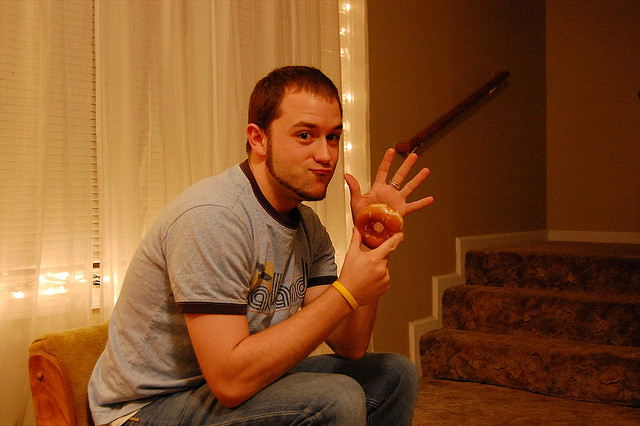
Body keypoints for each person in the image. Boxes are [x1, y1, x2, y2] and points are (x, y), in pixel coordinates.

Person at [88, 65, 434, 425]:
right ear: (258, 139)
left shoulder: (308, 227)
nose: (326, 155)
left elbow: (351, 344)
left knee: (395, 375)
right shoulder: (214, 218)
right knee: (335, 398)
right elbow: (230, 381)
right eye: (305, 135)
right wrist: (346, 292)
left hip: (225, 387)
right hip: (145, 409)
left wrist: (372, 238)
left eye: (332, 137)